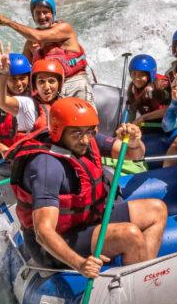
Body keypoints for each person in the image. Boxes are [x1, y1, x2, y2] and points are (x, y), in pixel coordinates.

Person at [10, 98, 167, 274]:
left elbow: (133, 154)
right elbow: (43, 233)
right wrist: (80, 264)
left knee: (156, 210)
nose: (85, 139)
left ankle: (143, 273)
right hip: (54, 245)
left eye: (90, 132)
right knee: (129, 234)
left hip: (87, 221)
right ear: (59, 131)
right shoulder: (46, 167)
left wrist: (134, 143)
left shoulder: (87, 139)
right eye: (77, 134)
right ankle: (141, 283)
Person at [0, 0, 93, 102]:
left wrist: (8, 22)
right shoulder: (31, 42)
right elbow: (20, 70)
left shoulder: (64, 28)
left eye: (46, 12)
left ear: (53, 13)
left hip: (74, 81)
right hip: (46, 89)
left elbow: (38, 36)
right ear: (33, 16)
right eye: (37, 13)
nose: (41, 16)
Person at [0, 45, 64, 134]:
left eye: (51, 81)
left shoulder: (64, 102)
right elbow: (0, 101)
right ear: (34, 85)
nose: (46, 87)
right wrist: (3, 73)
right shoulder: (27, 103)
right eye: (41, 82)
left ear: (60, 84)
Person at [126, 54, 170, 128]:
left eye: (141, 75)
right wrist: (128, 125)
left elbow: (170, 109)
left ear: (150, 75)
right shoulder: (133, 89)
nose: (137, 78)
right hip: (148, 125)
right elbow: (132, 109)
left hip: (165, 126)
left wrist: (143, 117)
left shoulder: (161, 87)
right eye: (134, 74)